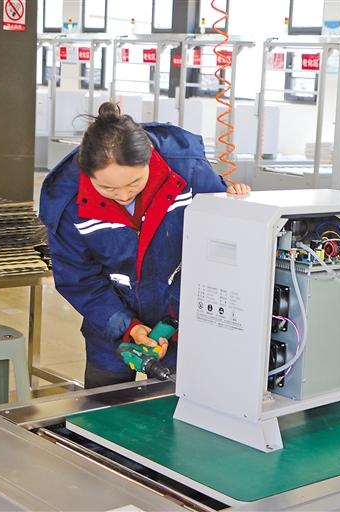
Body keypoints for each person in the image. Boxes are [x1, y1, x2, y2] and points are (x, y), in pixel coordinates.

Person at [39, 102, 250, 388]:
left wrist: (237, 203)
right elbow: (79, 280)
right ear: (86, 173)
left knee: (179, 406)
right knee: (105, 406)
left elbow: (221, 243)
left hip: (183, 323)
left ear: (149, 158)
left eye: (134, 182)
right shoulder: (68, 204)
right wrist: (128, 327)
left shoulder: (188, 174)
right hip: (110, 328)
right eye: (107, 188)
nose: (124, 195)